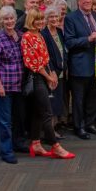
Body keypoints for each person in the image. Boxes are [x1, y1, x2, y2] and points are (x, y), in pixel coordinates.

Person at [21, 9, 74, 159]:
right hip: (36, 77)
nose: (39, 22)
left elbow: (45, 57)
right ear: (30, 20)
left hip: (45, 76)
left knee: (38, 113)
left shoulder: (39, 35)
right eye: (36, 19)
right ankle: (55, 146)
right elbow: (32, 62)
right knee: (47, 112)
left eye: (40, 19)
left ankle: (36, 143)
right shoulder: (27, 37)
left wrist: (51, 74)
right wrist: (48, 76)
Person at [64, 0, 96, 140]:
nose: (87, 1)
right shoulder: (71, 18)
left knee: (93, 98)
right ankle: (79, 127)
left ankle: (90, 124)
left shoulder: (94, 15)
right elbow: (69, 42)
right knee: (79, 100)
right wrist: (88, 39)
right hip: (79, 66)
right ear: (78, 1)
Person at [0, 6, 23, 164]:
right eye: (6, 19)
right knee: (4, 121)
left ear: (15, 19)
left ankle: (17, 144)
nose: (9, 21)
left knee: (17, 118)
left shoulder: (21, 36)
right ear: (1, 22)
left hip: (19, 85)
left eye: (11, 18)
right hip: (5, 86)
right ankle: (6, 151)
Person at [41, 7, 68, 139]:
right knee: (50, 104)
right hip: (51, 73)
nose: (54, 19)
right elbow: (45, 56)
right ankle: (49, 133)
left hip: (61, 72)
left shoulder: (59, 31)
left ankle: (53, 130)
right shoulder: (43, 34)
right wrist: (51, 73)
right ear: (46, 18)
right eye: (51, 17)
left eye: (56, 16)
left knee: (57, 102)